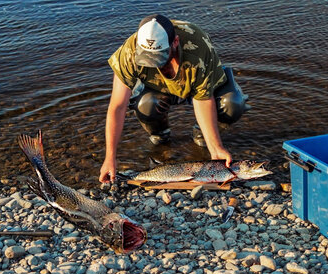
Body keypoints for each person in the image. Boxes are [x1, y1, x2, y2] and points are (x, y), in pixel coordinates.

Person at [99, 14, 250, 184]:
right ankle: (159, 134)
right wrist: (110, 158)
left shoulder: (198, 48)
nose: (155, 64)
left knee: (233, 103)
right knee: (146, 104)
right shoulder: (128, 53)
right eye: (148, 58)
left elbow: (203, 99)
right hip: (158, 91)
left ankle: (202, 134)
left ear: (175, 42)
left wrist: (216, 148)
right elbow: (117, 107)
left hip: (198, 85)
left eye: (158, 57)